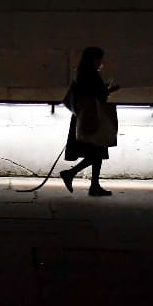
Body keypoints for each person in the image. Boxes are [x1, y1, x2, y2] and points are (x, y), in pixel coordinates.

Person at [59, 46, 120, 196]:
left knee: (95, 152)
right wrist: (110, 90)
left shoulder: (82, 74)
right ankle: (78, 178)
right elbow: (98, 96)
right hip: (92, 118)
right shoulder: (92, 75)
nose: (101, 63)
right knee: (96, 152)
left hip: (85, 117)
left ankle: (89, 183)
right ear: (94, 59)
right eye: (100, 59)